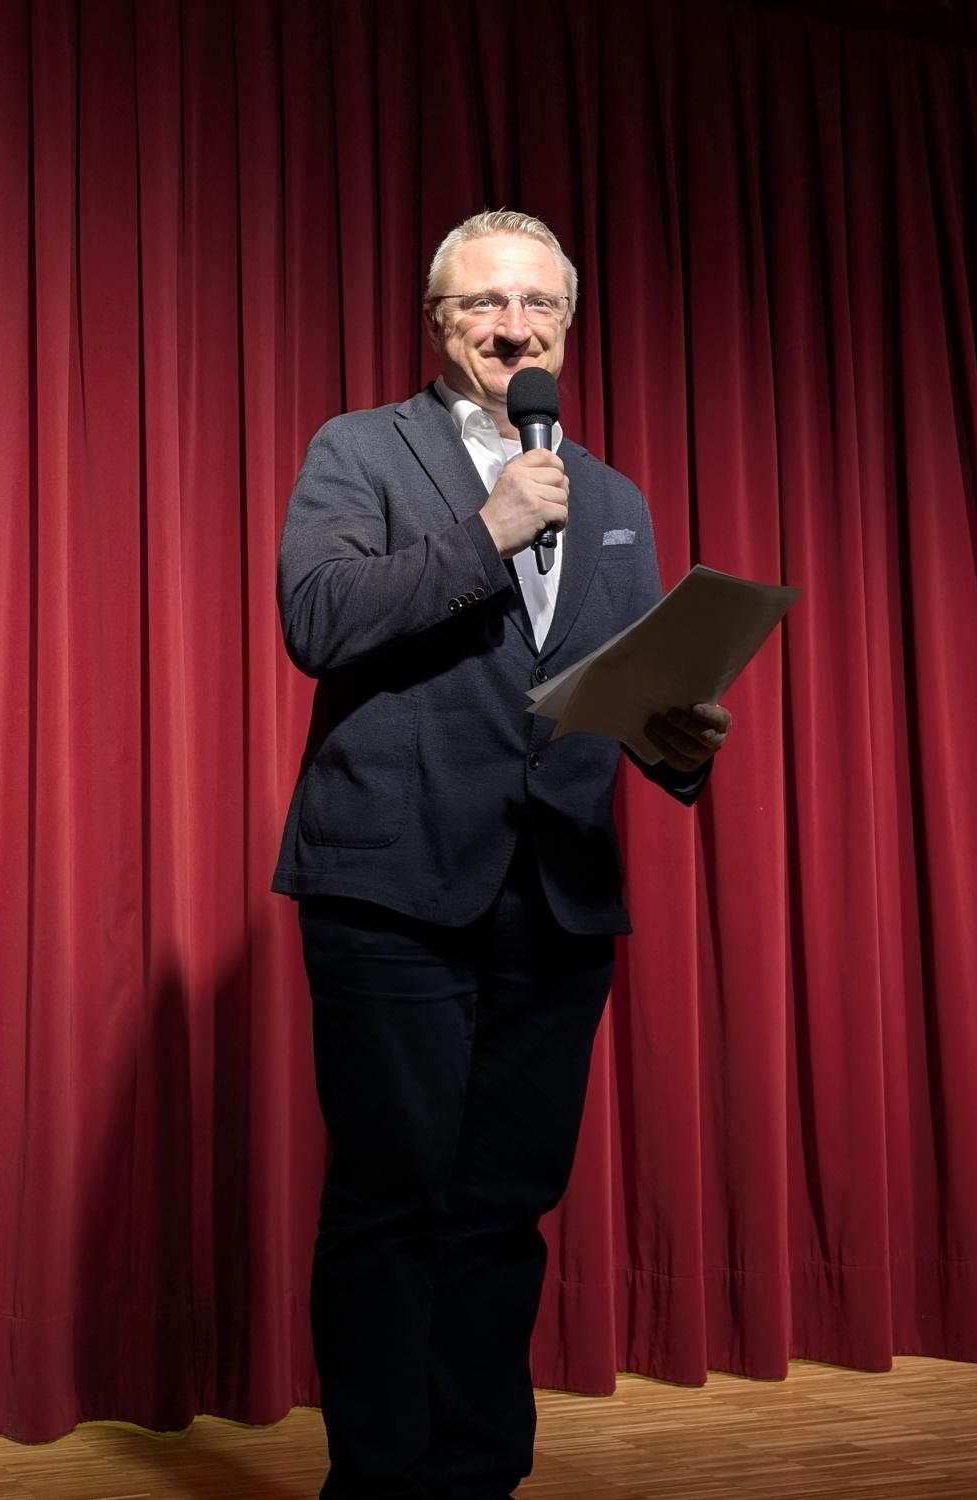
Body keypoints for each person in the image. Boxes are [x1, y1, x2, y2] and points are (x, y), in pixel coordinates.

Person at [272, 210, 731, 1500]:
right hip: (391, 888)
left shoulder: (619, 497)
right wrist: (488, 532)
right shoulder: (361, 450)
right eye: (484, 307)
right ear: (442, 323)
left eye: (536, 305)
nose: (512, 326)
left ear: (568, 330)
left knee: (502, 1208)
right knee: (393, 1204)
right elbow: (317, 618)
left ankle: (474, 1476)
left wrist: (681, 737)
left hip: (558, 900)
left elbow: (619, 689)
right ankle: (377, 1482)